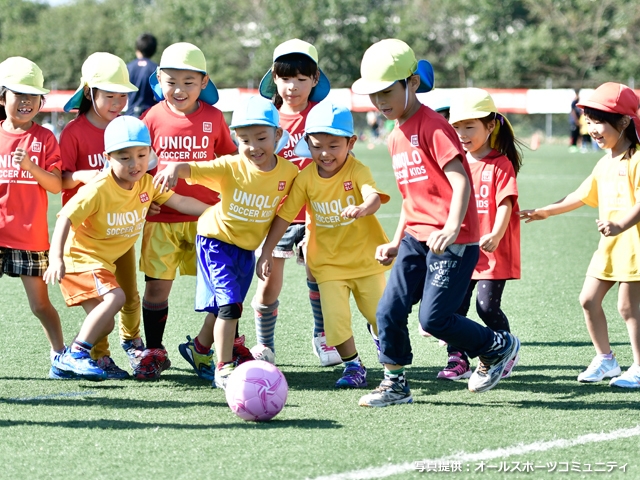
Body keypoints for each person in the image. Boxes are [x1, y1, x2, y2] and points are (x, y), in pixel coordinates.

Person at [351, 39, 521, 407]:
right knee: (388, 310)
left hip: (453, 239)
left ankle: (497, 345)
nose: (379, 102)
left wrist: (451, 227)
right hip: (416, 236)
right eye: (373, 94)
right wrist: (396, 241)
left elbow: (461, 180)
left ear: (411, 83)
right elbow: (413, 200)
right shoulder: (395, 136)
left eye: (387, 91)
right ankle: (395, 384)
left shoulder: (434, 125)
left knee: (434, 320)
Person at [45, 116, 211, 381]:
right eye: (124, 157)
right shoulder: (99, 188)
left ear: (150, 154)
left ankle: (62, 363)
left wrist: (218, 213)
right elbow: (65, 216)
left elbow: (180, 201)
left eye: (141, 155)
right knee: (117, 298)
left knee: (106, 323)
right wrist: (55, 259)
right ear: (107, 157)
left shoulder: (146, 183)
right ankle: (75, 354)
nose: (135, 164)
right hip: (80, 260)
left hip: (101, 263)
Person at [154, 95, 298, 389]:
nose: (254, 147)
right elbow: (191, 168)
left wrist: (266, 253)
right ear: (235, 139)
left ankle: (199, 349)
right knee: (229, 307)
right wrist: (173, 169)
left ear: (278, 135)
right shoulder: (230, 166)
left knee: (224, 308)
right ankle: (224, 367)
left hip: (245, 249)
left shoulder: (288, 173)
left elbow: (284, 216)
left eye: (261, 137)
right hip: (214, 241)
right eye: (245, 140)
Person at [257, 100, 390, 387]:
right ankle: (354, 366)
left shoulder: (356, 170)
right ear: (307, 143)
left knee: (381, 316)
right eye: (317, 146)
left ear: (351, 142)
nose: (325, 153)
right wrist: (267, 250)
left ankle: (387, 349)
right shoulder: (305, 178)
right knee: (335, 324)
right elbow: (285, 215)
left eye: (334, 146)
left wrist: (364, 207)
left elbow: (373, 195)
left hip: (365, 261)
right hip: (327, 265)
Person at [520, 82, 640, 388]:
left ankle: (639, 366)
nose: (592, 130)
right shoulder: (604, 162)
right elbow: (582, 195)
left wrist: (620, 225)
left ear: (624, 122)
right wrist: (547, 210)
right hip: (610, 247)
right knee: (587, 300)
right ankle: (607, 360)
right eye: (589, 123)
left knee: (628, 308)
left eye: (598, 122)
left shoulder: (637, 158)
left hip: (634, 246)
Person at [140, 42, 238, 380]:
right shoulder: (151, 118)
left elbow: (230, 163)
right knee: (156, 290)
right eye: (171, 81)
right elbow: (140, 165)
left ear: (204, 82)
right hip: (161, 220)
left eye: (188, 81)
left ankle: (222, 343)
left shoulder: (213, 118)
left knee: (221, 288)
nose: (179, 89)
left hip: (208, 220)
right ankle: (154, 350)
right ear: (158, 79)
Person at [252, 38, 340, 366]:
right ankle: (264, 345)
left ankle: (323, 337)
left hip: (317, 216)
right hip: (275, 218)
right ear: (274, 77)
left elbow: (342, 158)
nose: (293, 86)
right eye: (286, 78)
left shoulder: (323, 116)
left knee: (319, 279)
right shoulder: (266, 118)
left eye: (302, 79)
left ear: (315, 79)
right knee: (268, 284)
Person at [59, 52, 141, 379]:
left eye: (123, 95)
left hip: (121, 230)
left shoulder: (127, 128)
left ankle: (134, 346)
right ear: (90, 92)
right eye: (110, 95)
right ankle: (98, 355)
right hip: (89, 236)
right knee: (103, 302)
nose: (118, 102)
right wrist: (81, 176)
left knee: (129, 295)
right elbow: (60, 179)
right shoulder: (74, 132)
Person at [438, 88, 522, 380]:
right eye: (456, 126)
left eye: (469, 126)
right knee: (454, 308)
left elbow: (506, 203)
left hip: (491, 251)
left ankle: (504, 348)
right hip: (461, 249)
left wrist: (497, 234)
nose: (461, 133)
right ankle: (456, 360)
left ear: (490, 126)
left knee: (486, 307)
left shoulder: (501, 164)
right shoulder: (454, 162)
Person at [0, 57, 65, 378]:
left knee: (40, 305)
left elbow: (55, 186)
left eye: (33, 96)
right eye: (18, 94)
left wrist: (31, 167)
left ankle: (59, 354)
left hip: (30, 237)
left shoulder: (45, 139)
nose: (26, 102)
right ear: (2, 98)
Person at [126, 33, 159, 117]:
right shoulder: (156, 69)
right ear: (153, 50)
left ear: (137, 48)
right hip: (149, 115)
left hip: (130, 114)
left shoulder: (128, 68)